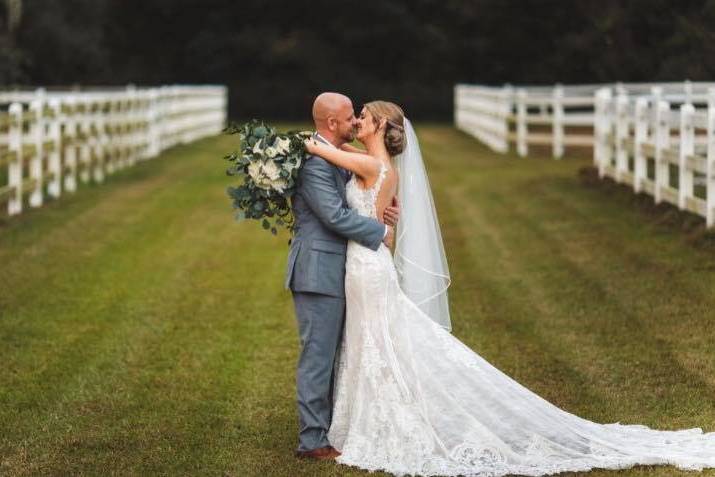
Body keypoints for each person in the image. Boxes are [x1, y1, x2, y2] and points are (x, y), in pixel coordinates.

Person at [302, 99, 715, 476]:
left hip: (366, 266)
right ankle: (364, 417)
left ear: (379, 126)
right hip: (365, 264)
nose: (358, 121)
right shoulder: (375, 164)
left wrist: (311, 146)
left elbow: (330, 157)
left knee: (376, 341)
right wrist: (381, 216)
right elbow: (363, 184)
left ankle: (381, 419)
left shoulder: (374, 168)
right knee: (369, 342)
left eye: (364, 117)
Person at [285, 92, 399, 460]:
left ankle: (338, 425)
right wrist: (379, 231)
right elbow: (333, 215)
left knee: (346, 351)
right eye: (350, 117)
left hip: (347, 269)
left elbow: (364, 193)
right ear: (332, 123)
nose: (355, 122)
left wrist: (381, 212)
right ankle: (313, 440)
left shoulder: (342, 158)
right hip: (318, 271)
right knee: (318, 355)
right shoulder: (316, 163)